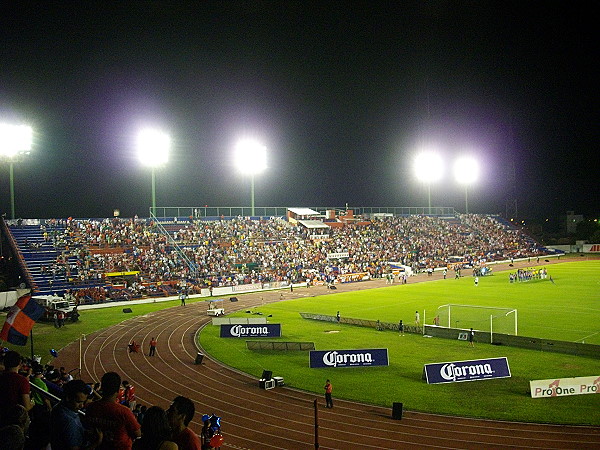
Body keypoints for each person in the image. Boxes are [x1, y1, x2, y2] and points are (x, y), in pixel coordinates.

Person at [84, 371, 141, 449]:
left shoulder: (90, 407)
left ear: (102, 388)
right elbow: (138, 434)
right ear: (118, 391)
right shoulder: (124, 412)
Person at [51, 379, 103, 450]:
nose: (81, 406)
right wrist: (97, 442)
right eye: (78, 402)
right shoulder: (70, 422)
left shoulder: (58, 407)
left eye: (83, 402)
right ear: (68, 398)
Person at [0, 351, 33, 425]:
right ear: (20, 364)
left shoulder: (2, 376)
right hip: (13, 420)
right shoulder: (22, 381)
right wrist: (33, 403)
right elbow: (26, 407)